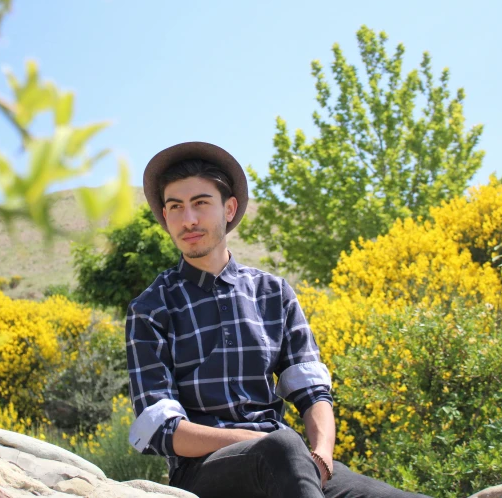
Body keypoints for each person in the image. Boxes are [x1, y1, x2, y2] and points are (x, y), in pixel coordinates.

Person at [126, 142, 430, 498]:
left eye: (201, 203)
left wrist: (322, 456)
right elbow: (159, 429)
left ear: (229, 208)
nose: (188, 219)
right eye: (175, 207)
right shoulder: (151, 307)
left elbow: (312, 389)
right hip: (203, 472)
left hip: (290, 465)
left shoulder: (273, 292)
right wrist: (262, 442)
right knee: (282, 447)